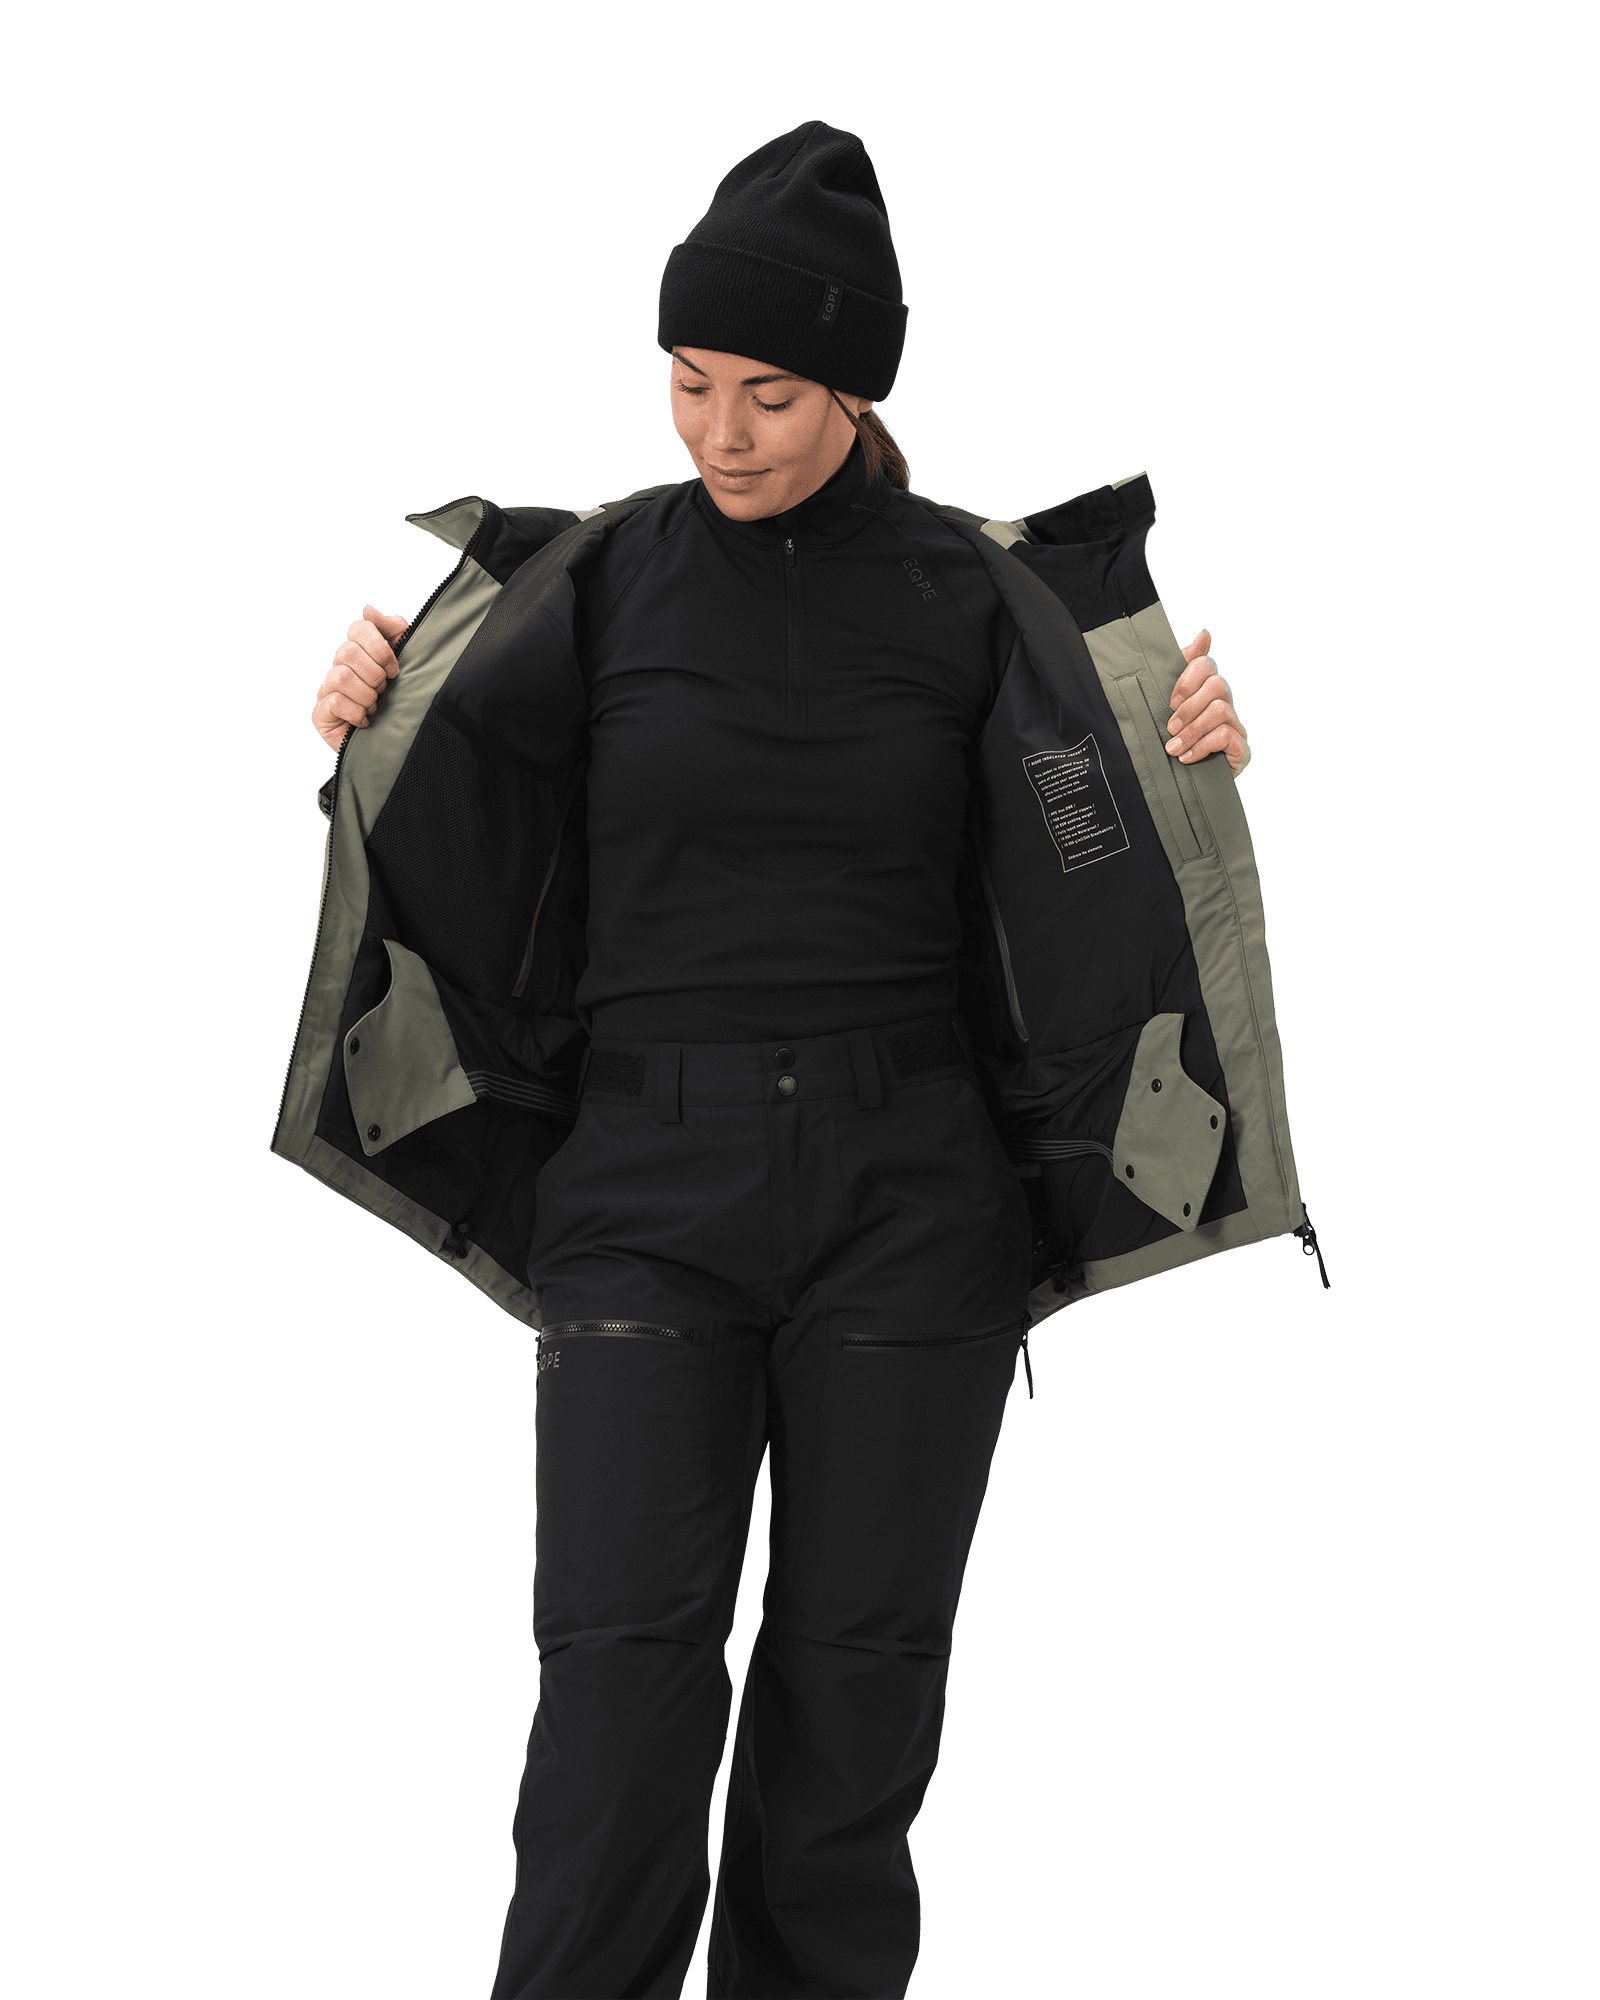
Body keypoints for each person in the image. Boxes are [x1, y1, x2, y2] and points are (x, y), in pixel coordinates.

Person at [291, 122, 1289, 2000]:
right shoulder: (596, 585)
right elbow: (454, 814)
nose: (721, 433)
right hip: (642, 1196)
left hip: (912, 1206)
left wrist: (1188, 762)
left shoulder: (973, 596)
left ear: (858, 390)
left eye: (770, 393)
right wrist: (369, 715)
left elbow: (1089, 835)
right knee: (617, 1708)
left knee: (853, 1722)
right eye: (689, 381)